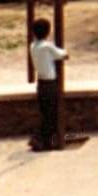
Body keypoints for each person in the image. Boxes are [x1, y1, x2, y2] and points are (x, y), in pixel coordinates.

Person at [29, 17, 67, 151]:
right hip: (50, 82)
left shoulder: (33, 46)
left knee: (44, 112)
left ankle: (41, 139)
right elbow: (62, 54)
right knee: (51, 113)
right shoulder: (47, 46)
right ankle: (42, 140)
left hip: (41, 82)